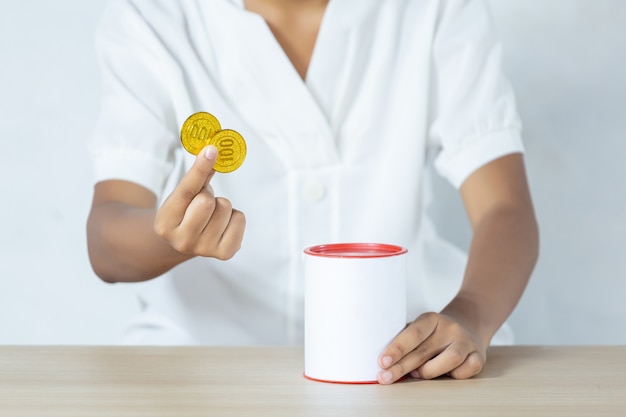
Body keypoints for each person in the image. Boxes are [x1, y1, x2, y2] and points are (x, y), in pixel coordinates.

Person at [86, 0, 539, 385]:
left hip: (403, 359)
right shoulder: (150, 16)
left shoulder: (433, 9)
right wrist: (171, 236)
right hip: (197, 361)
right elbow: (106, 239)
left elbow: (504, 207)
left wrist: (471, 315)